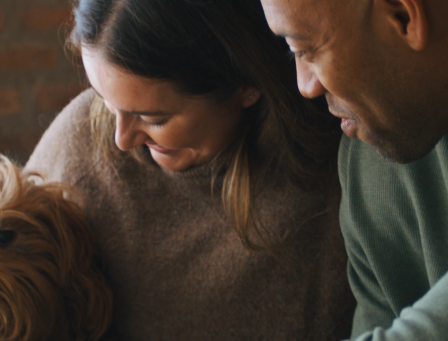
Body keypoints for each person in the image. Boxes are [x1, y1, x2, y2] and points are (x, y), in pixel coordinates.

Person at [25, 0, 355, 339]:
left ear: (247, 86)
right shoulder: (78, 147)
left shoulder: (337, 174)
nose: (121, 139)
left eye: (154, 118)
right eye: (107, 104)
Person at [259, 0, 448, 340]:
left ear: (403, 16)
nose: (305, 86)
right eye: (292, 53)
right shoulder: (369, 167)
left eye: (304, 49)